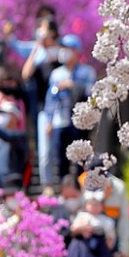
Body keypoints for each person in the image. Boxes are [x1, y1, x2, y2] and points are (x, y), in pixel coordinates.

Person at [43, 34, 96, 189]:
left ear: (76, 52)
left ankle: (82, 188)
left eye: (68, 49)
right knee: (60, 158)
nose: (64, 52)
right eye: (63, 48)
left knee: (81, 157)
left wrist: (73, 86)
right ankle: (63, 190)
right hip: (60, 119)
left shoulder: (87, 72)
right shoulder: (56, 74)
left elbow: (91, 94)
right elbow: (50, 98)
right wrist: (49, 120)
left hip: (80, 120)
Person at [22, 19, 61, 189]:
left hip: (62, 109)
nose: (41, 32)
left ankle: (65, 182)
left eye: (44, 29)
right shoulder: (39, 57)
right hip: (44, 109)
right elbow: (26, 73)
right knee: (44, 150)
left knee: (59, 147)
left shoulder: (59, 52)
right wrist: (37, 46)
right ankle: (48, 185)